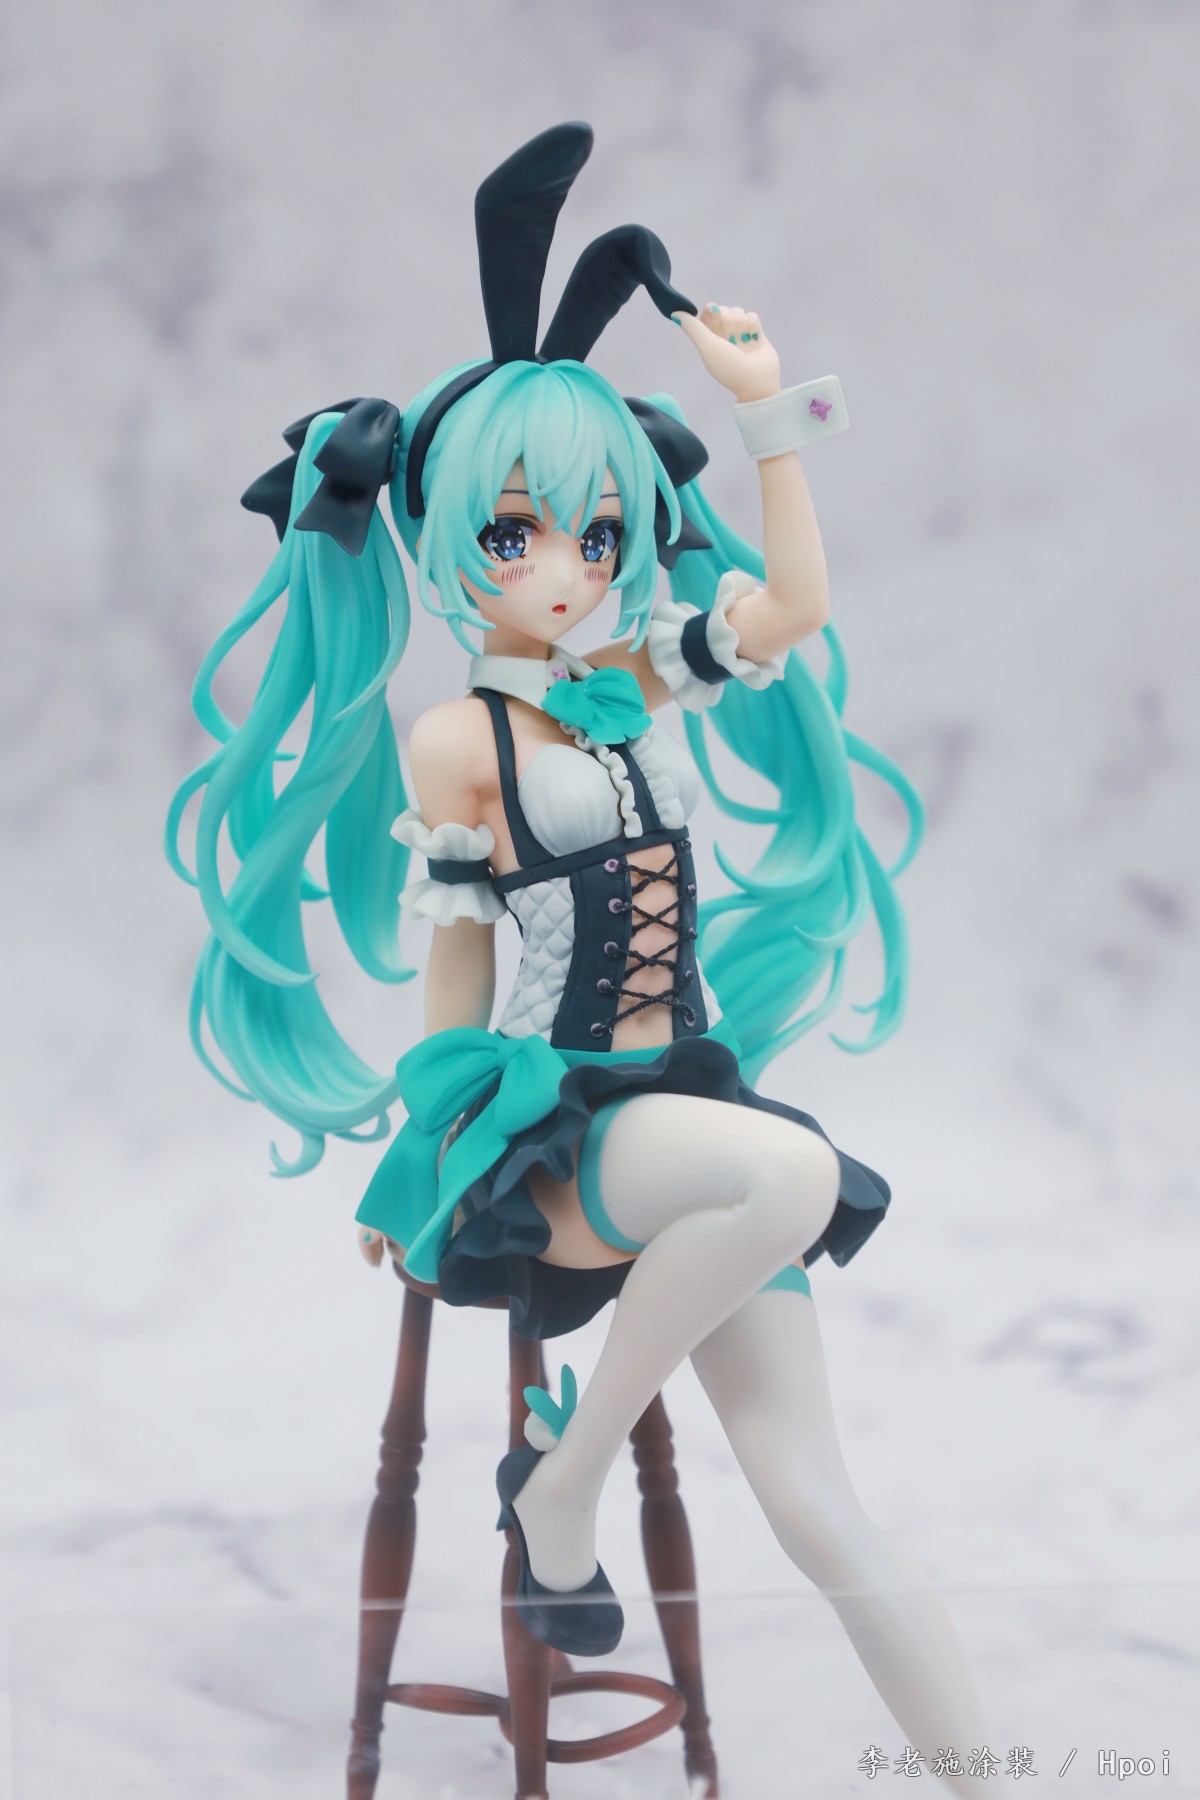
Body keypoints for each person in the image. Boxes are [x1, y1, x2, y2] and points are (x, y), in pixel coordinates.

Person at [169, 122, 995, 1786]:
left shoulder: (635, 680)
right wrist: (422, 1157)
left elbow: (793, 609)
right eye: (517, 535)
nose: (566, 570)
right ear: (448, 540)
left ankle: (987, 1771)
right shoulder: (456, 743)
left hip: (686, 1121)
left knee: (819, 1500)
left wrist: (765, 416)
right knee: (790, 1173)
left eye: (600, 534)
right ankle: (565, 1482)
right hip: (563, 1142)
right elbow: (459, 981)